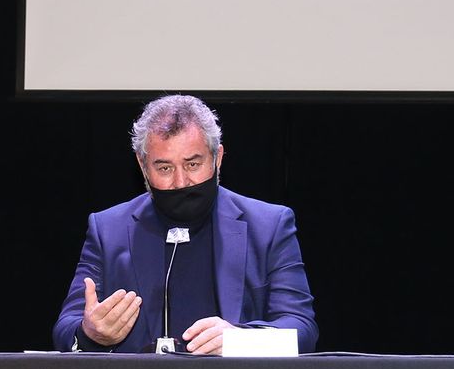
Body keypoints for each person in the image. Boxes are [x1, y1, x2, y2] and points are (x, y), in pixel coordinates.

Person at [52, 94, 317, 354]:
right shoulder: (109, 229)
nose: (181, 182)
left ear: (217, 158)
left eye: (193, 164)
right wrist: (90, 333)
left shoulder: (269, 226)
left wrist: (240, 341)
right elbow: (66, 329)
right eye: (165, 169)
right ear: (143, 165)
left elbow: (302, 330)